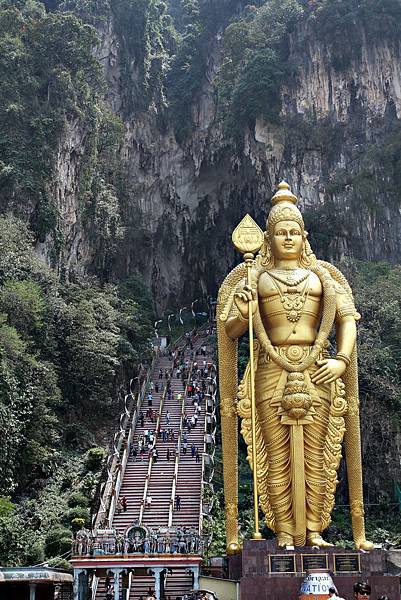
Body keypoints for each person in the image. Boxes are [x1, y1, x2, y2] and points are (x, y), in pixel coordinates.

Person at [218, 180, 373, 551]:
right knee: (276, 454)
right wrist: (244, 309)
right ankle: (284, 532)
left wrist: (341, 358)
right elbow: (231, 329)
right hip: (271, 371)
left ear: (304, 236)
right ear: (267, 238)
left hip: (318, 366)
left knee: (319, 453)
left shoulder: (325, 277)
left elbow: (347, 319)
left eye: (293, 232)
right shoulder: (254, 277)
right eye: (279, 233)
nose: (287, 238)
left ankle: (316, 530)